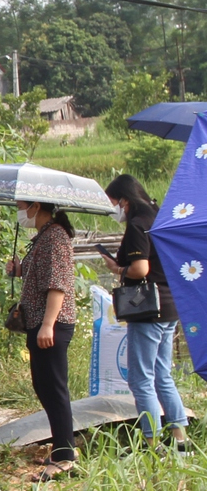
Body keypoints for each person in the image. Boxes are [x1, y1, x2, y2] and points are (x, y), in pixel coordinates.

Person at [104, 173, 190, 451]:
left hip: (148, 308)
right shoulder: (160, 218)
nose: (114, 208)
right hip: (170, 305)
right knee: (162, 373)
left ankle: (151, 443)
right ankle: (180, 439)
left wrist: (117, 269)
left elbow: (140, 269)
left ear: (125, 200)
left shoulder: (138, 225)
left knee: (141, 378)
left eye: (114, 202)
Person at [9, 200, 78, 474]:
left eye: (21, 206)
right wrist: (19, 269)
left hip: (51, 324)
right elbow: (41, 273)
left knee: (54, 387)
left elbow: (57, 285)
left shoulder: (55, 238)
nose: (20, 212)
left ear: (36, 206)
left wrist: (48, 324)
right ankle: (61, 447)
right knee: (43, 385)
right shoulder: (44, 237)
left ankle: (65, 457)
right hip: (39, 322)